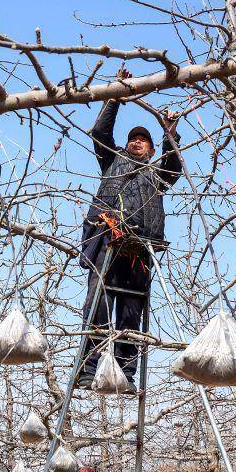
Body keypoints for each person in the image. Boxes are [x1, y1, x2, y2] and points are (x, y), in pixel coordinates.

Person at [74, 69, 182, 392]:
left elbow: (174, 165)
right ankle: (89, 369)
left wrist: (169, 135)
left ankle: (125, 374)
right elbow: (99, 133)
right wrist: (115, 98)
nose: (137, 142)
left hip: (139, 252)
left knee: (131, 316)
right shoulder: (112, 160)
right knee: (98, 303)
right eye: (134, 138)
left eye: (144, 140)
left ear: (151, 150)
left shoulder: (156, 175)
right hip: (108, 243)